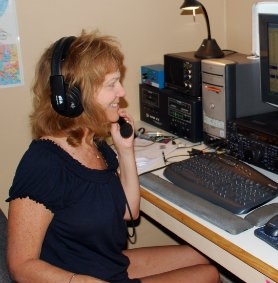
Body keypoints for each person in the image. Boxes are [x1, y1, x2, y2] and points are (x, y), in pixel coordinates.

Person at [6, 30, 221, 283]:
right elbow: (20, 266)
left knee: (202, 256)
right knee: (207, 275)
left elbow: (129, 212)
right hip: (78, 277)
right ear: (74, 96)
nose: (121, 92)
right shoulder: (43, 163)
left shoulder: (95, 145)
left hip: (103, 262)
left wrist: (125, 150)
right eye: (112, 84)